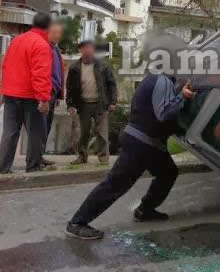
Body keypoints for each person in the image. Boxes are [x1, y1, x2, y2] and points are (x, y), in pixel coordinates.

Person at [65, 73, 194, 240]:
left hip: (145, 142)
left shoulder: (153, 79)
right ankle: (76, 223)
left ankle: (144, 211)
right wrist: (182, 97)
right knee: (115, 184)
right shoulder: (163, 81)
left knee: (168, 171)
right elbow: (164, 114)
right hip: (141, 143)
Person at [0, 12, 52, 173]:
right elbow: (40, 74)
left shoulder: (16, 40)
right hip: (30, 96)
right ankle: (33, 165)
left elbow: (5, 65)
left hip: (10, 93)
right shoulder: (41, 44)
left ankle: (3, 167)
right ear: (48, 27)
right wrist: (43, 99)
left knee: (10, 132)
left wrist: (4, 90)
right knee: (36, 132)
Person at [66, 41, 117, 164]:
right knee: (83, 132)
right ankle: (82, 156)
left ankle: (103, 158)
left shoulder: (103, 66)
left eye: (90, 48)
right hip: (83, 104)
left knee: (102, 132)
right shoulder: (74, 68)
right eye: (85, 48)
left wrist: (112, 102)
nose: (88, 51)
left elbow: (111, 85)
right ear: (81, 50)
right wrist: (70, 105)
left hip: (100, 103)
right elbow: (70, 88)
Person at [41, 21, 65, 166]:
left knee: (47, 125)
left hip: (54, 93)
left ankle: (40, 155)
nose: (57, 36)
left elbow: (59, 73)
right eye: (54, 32)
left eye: (59, 33)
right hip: (46, 92)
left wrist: (60, 94)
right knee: (41, 125)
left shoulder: (56, 50)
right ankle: (36, 157)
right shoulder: (44, 48)